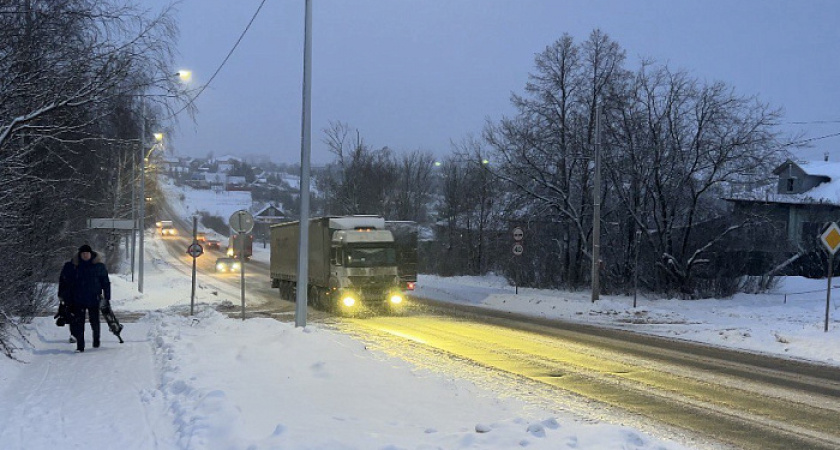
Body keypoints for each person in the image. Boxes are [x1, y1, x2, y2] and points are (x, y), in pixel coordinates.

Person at [58, 244, 111, 353]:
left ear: (91, 254)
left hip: (94, 299)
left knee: (95, 322)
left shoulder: (98, 266)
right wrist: (62, 295)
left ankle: (96, 341)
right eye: (83, 253)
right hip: (77, 300)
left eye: (87, 253)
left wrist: (107, 297)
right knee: (78, 323)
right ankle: (80, 346)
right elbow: (63, 281)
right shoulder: (73, 266)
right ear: (80, 254)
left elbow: (105, 282)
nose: (85, 255)